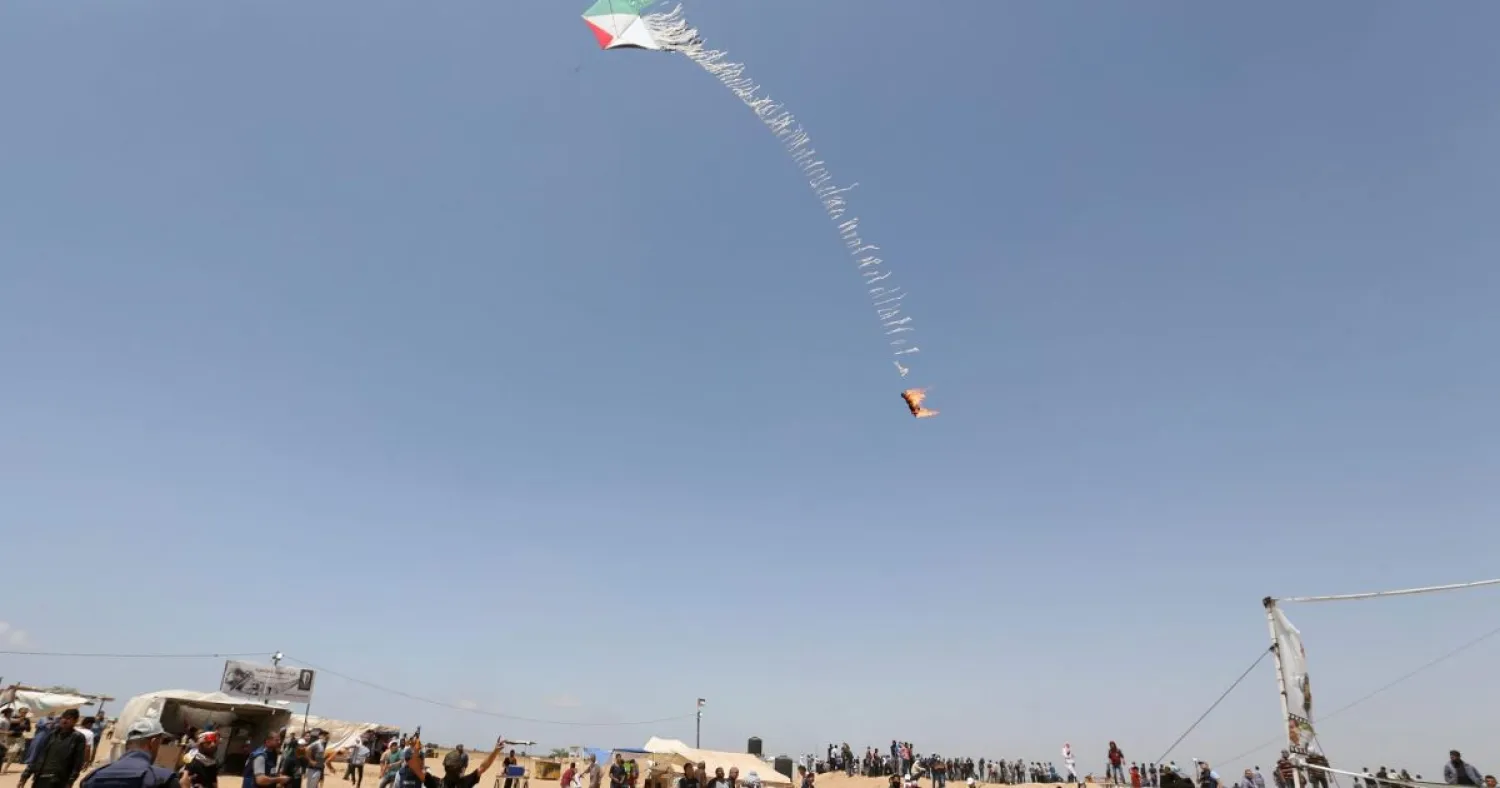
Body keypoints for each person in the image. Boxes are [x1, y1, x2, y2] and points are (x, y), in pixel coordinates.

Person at [80, 719, 178, 788]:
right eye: (159, 743)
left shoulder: (93, 777)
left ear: (128, 744)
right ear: (153, 742)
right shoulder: (163, 779)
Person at [26, 708, 88, 788]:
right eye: (63, 718)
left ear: (75, 721)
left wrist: (71, 781)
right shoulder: (52, 734)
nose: (65, 721)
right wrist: (26, 774)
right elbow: (39, 755)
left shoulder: (78, 738)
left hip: (59, 780)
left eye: (69, 719)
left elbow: (78, 762)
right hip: (41, 777)